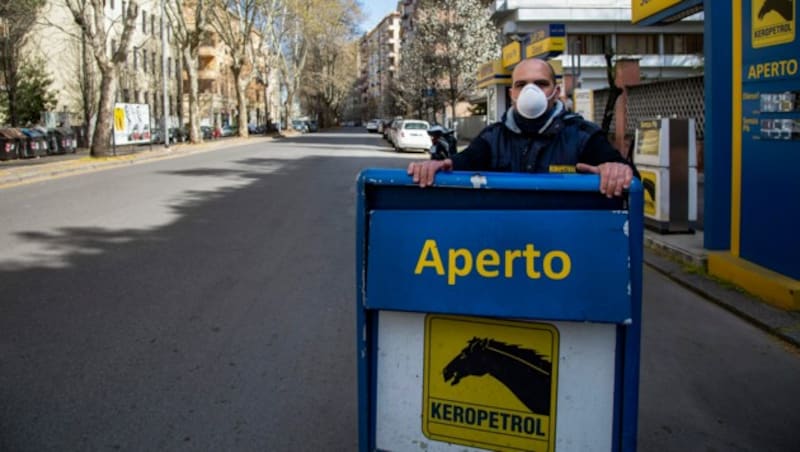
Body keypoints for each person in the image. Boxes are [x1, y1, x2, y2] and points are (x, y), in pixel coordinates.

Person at [407, 58, 636, 198]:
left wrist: (617, 171)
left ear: (555, 92)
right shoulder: (492, 137)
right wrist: (439, 165)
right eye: (521, 85)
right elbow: (465, 161)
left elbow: (627, 178)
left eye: (540, 84)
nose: (531, 91)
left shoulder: (583, 135)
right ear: (512, 94)